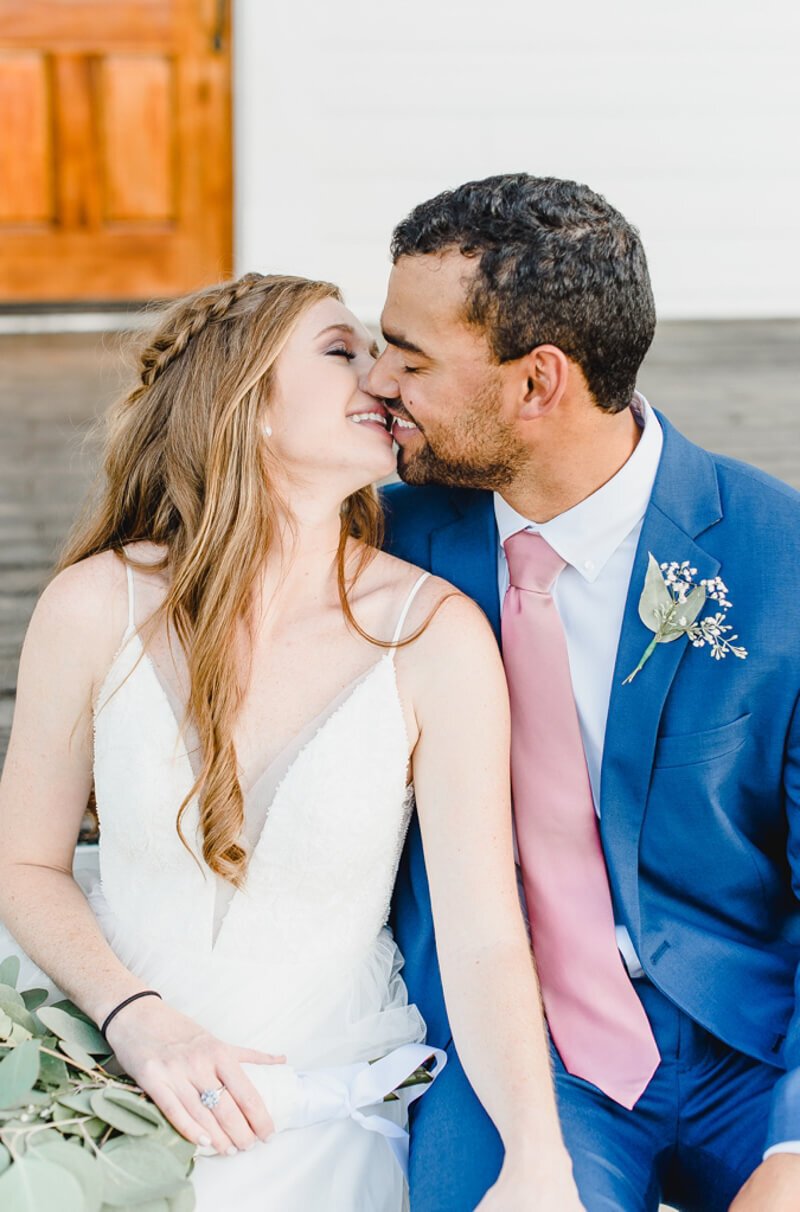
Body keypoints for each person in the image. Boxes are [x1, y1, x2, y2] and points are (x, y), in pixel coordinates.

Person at [0, 272, 580, 1211]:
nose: (382, 378)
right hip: (99, 1038)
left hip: (314, 1094)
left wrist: (537, 1159)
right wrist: (135, 1018)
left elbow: (482, 933)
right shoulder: (96, 604)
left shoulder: (433, 635)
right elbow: (25, 862)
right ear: (246, 400)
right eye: (342, 350)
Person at [372, 173, 800, 1212]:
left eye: (411, 359)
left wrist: (793, 1151)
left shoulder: (776, 558)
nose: (376, 382)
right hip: (510, 1039)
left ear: (537, 382)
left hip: (751, 1037)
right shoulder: (380, 544)